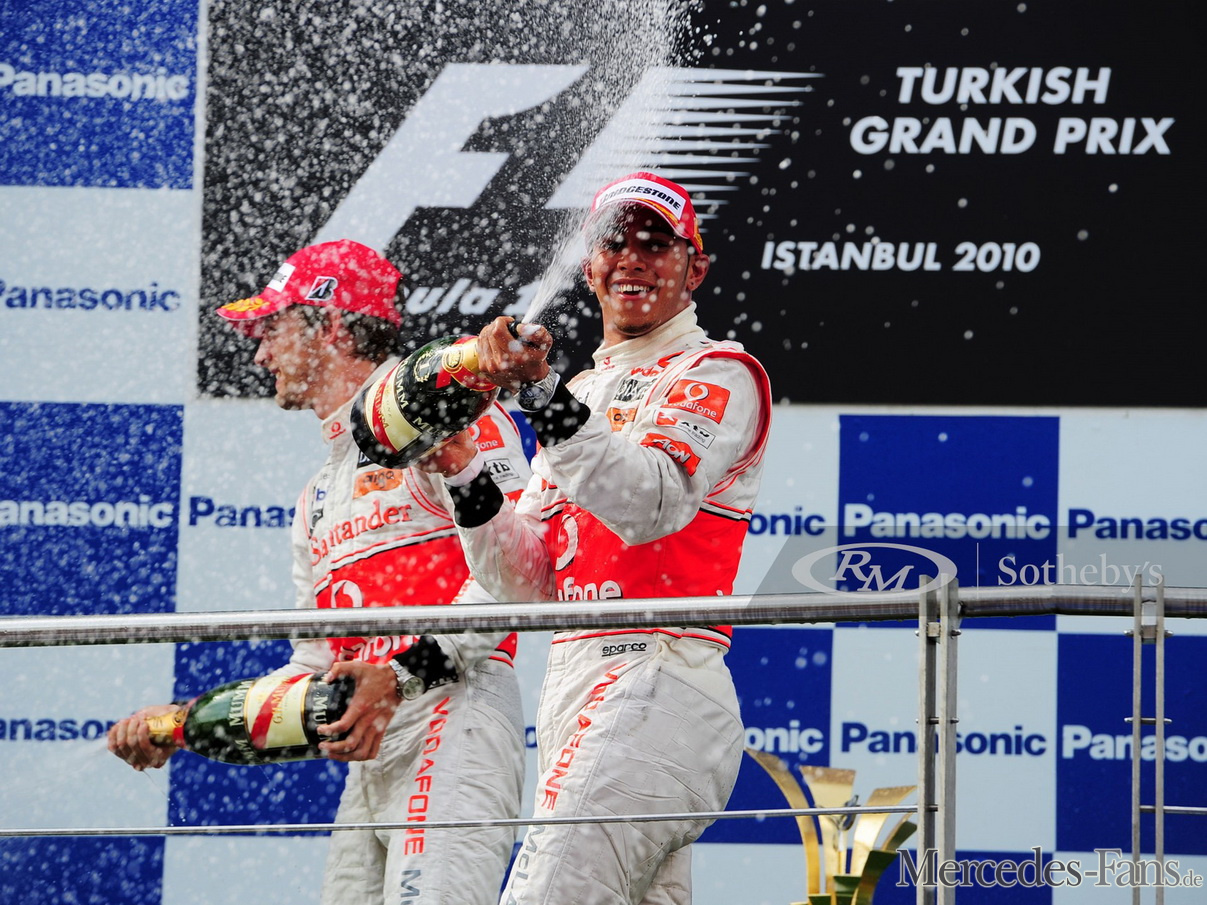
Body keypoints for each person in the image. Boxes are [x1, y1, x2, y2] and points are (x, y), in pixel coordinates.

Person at [107, 238, 530, 905]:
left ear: (330, 325)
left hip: (455, 716)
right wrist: (182, 722)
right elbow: (313, 665)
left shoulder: (442, 412)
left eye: (272, 329)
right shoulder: (316, 497)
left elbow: (519, 576)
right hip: (370, 744)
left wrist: (400, 674)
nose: (259, 355)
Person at [431, 173, 773, 904]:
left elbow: (649, 502)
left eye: (656, 243)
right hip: (578, 686)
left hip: (660, 679)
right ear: (588, 266)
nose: (631, 259)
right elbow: (525, 581)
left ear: (695, 269)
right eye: (613, 243)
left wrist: (540, 393)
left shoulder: (719, 371)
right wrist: (463, 471)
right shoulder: (582, 393)